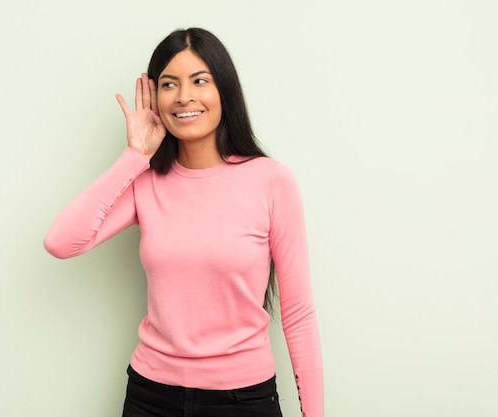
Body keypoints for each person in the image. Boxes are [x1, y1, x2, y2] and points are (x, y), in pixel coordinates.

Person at [43, 27, 324, 417]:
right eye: (170, 84)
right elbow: (61, 242)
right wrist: (135, 155)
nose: (184, 96)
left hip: (242, 400)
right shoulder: (146, 184)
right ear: (156, 98)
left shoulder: (272, 180)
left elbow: (298, 313)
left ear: (223, 89)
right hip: (150, 396)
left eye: (200, 81)